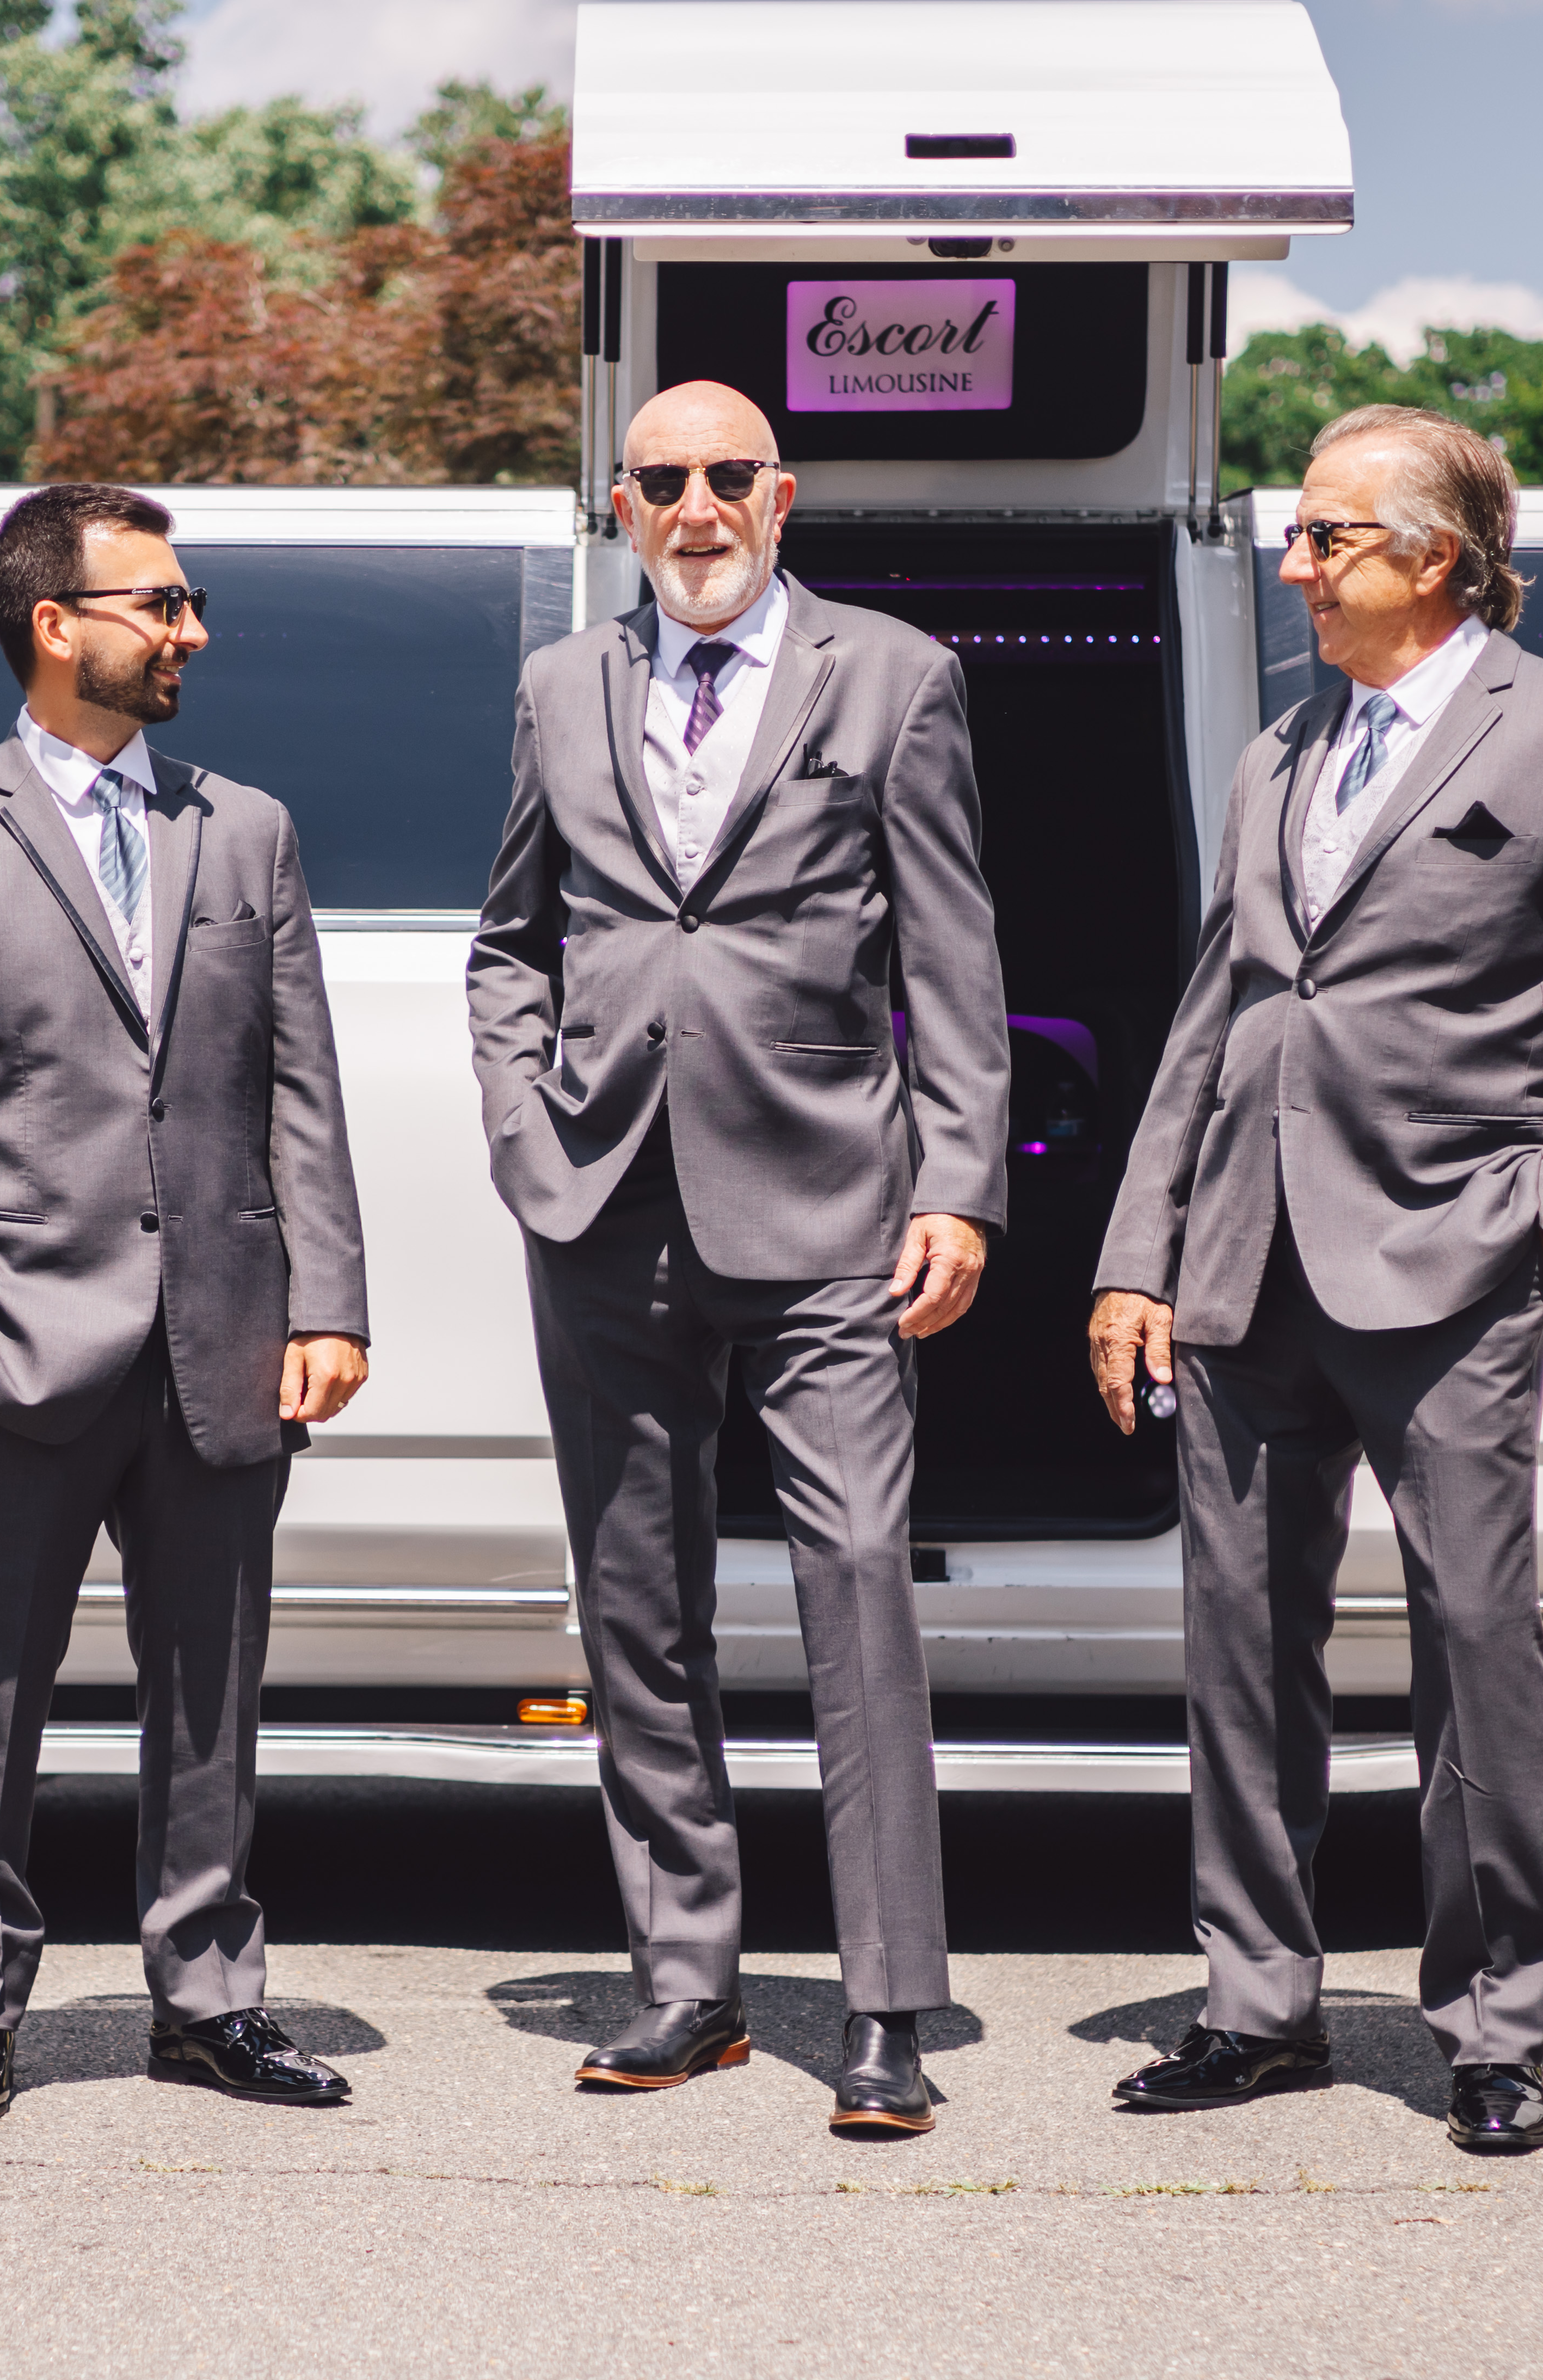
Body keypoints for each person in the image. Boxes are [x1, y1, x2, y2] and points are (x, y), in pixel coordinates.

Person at [1086, 405, 1543, 2152]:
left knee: (1477, 1648)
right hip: (1242, 1269)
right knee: (1240, 1655)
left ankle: (1495, 2023)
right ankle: (1257, 2005)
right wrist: (1139, 1259)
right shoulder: (1278, 752)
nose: (1293, 567)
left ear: (1436, 559)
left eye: (1325, 538)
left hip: (1451, 1267)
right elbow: (1222, 1017)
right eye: (1298, 534)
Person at [465, 380, 1009, 2136]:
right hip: (603, 1201)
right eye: (658, 483)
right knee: (637, 1605)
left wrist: (962, 1186)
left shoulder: (894, 675)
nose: (693, 508)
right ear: (619, 508)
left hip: (833, 1207)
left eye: (724, 479)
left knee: (857, 1589)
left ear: (783, 497)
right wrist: (520, 1119)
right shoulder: (561, 684)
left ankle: (884, 2006)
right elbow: (511, 940)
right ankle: (686, 1979)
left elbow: (954, 952)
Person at [0, 484, 372, 2128]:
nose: (192, 630)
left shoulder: (249, 830)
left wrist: (325, 1301)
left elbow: (303, 1090)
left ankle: (207, 1996)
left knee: (210, 1690)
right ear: (56, 623)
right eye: (160, 602)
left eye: (190, 600)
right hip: (18, 1346)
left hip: (220, 1336)